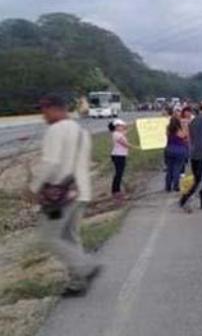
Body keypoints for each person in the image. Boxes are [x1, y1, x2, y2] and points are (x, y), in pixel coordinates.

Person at [29, 95, 99, 294]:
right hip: (81, 191)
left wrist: (33, 189)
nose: (42, 116)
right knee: (70, 237)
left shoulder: (55, 130)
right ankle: (78, 282)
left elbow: (51, 164)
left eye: (44, 110)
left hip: (60, 197)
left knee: (48, 237)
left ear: (55, 109)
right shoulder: (81, 131)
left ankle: (86, 266)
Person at [110, 119, 139, 201]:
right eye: (121, 126)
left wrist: (133, 126)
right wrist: (136, 147)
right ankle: (116, 191)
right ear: (117, 127)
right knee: (118, 174)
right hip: (118, 156)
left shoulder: (118, 133)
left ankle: (116, 190)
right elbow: (125, 144)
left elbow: (125, 132)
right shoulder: (117, 135)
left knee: (119, 173)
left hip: (120, 155)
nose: (123, 127)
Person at [164, 116, 189, 192]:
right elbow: (186, 136)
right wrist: (185, 126)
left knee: (169, 169)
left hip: (169, 149)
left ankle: (168, 186)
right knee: (177, 169)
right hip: (179, 150)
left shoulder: (168, 130)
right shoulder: (179, 130)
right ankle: (176, 186)